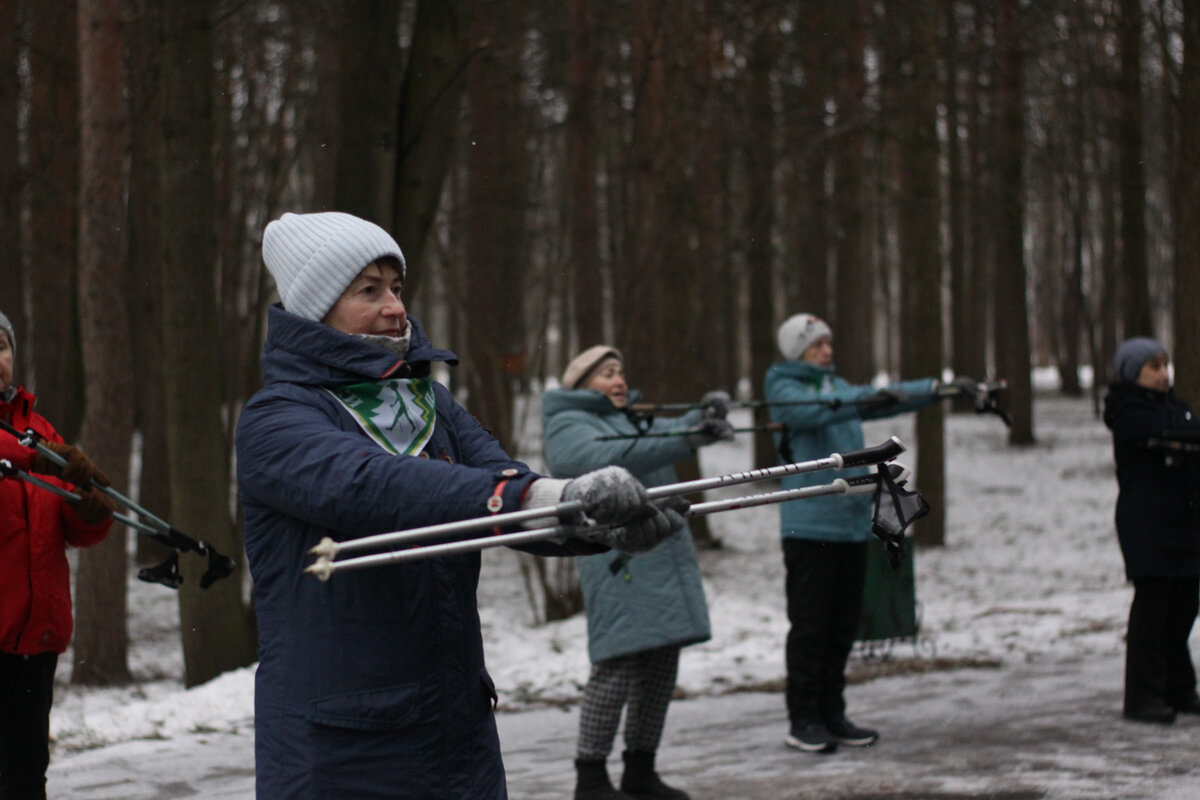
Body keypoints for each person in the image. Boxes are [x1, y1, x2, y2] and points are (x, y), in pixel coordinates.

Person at [235, 212, 686, 800]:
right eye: (368, 291)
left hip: (454, 726)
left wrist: (597, 524)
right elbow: (373, 485)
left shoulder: (429, 406)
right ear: (316, 309)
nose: (395, 306)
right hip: (340, 747)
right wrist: (531, 497)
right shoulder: (277, 419)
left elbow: (506, 485)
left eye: (396, 288)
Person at [542, 345, 733, 800]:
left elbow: (664, 430)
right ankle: (590, 778)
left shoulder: (630, 418)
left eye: (621, 372)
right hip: (617, 561)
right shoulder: (568, 423)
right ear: (580, 385)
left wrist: (702, 416)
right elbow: (604, 457)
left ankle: (640, 771)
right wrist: (689, 437)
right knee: (617, 667)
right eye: (607, 373)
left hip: (661, 558)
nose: (619, 380)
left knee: (661, 664)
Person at [765, 313, 943, 755]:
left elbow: (877, 402)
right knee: (811, 626)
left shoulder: (838, 387)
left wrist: (932, 390)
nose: (827, 351)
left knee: (842, 624)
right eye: (817, 345)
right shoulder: (784, 386)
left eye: (828, 343)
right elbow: (809, 414)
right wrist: (861, 398)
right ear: (796, 351)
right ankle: (802, 718)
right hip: (808, 525)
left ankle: (832, 712)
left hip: (848, 527)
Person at [0, 310, 116, 800]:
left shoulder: (40, 430)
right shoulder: (32, 447)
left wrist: (90, 513)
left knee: (26, 777)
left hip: (34, 639)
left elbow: (65, 529)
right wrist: (35, 456)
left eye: (1, 348)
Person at [1102, 337, 1200, 725]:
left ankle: (1179, 687)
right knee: (1153, 607)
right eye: (1153, 368)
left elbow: (1185, 431)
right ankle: (1143, 696)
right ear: (1133, 373)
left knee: (1184, 605)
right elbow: (1162, 433)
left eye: (1165, 366)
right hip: (1147, 522)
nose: (1163, 375)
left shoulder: (1177, 407)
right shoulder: (1127, 410)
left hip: (1185, 520)